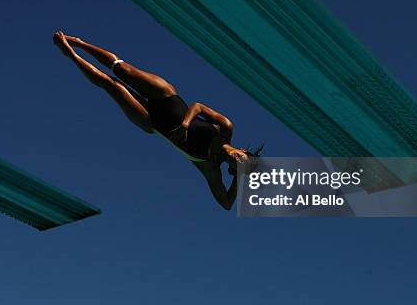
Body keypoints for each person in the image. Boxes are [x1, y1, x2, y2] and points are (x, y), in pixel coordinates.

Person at [53, 31, 263, 210]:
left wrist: (239, 179)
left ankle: (70, 54)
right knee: (121, 68)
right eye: (245, 159)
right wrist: (185, 124)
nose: (241, 162)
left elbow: (226, 204)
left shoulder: (211, 168)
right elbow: (198, 106)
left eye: (241, 168)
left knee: (112, 86)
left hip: (151, 121)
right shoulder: (225, 128)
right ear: (243, 150)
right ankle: (79, 43)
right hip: (166, 97)